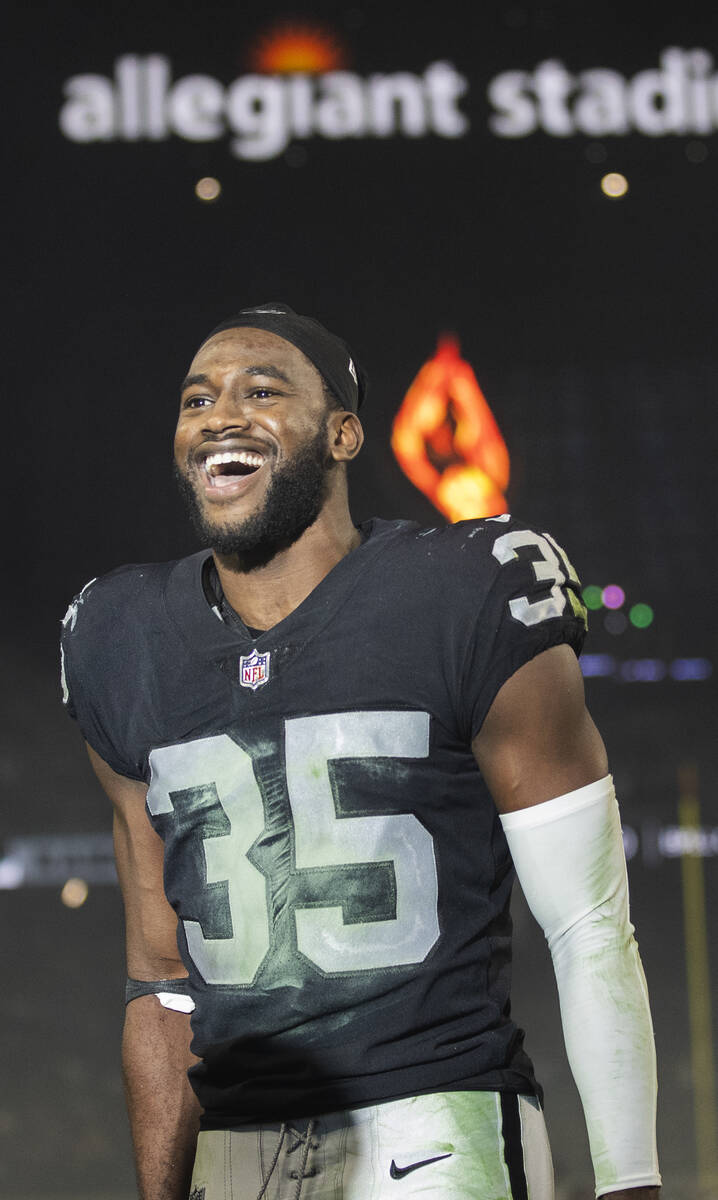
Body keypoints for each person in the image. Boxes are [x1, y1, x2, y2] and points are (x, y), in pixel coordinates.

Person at [61, 303, 661, 1200]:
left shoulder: (465, 589)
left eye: (261, 391)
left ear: (343, 433)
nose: (220, 414)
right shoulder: (118, 636)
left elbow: (587, 927)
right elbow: (161, 982)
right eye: (196, 400)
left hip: (437, 1129)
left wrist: (631, 1182)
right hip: (235, 1149)